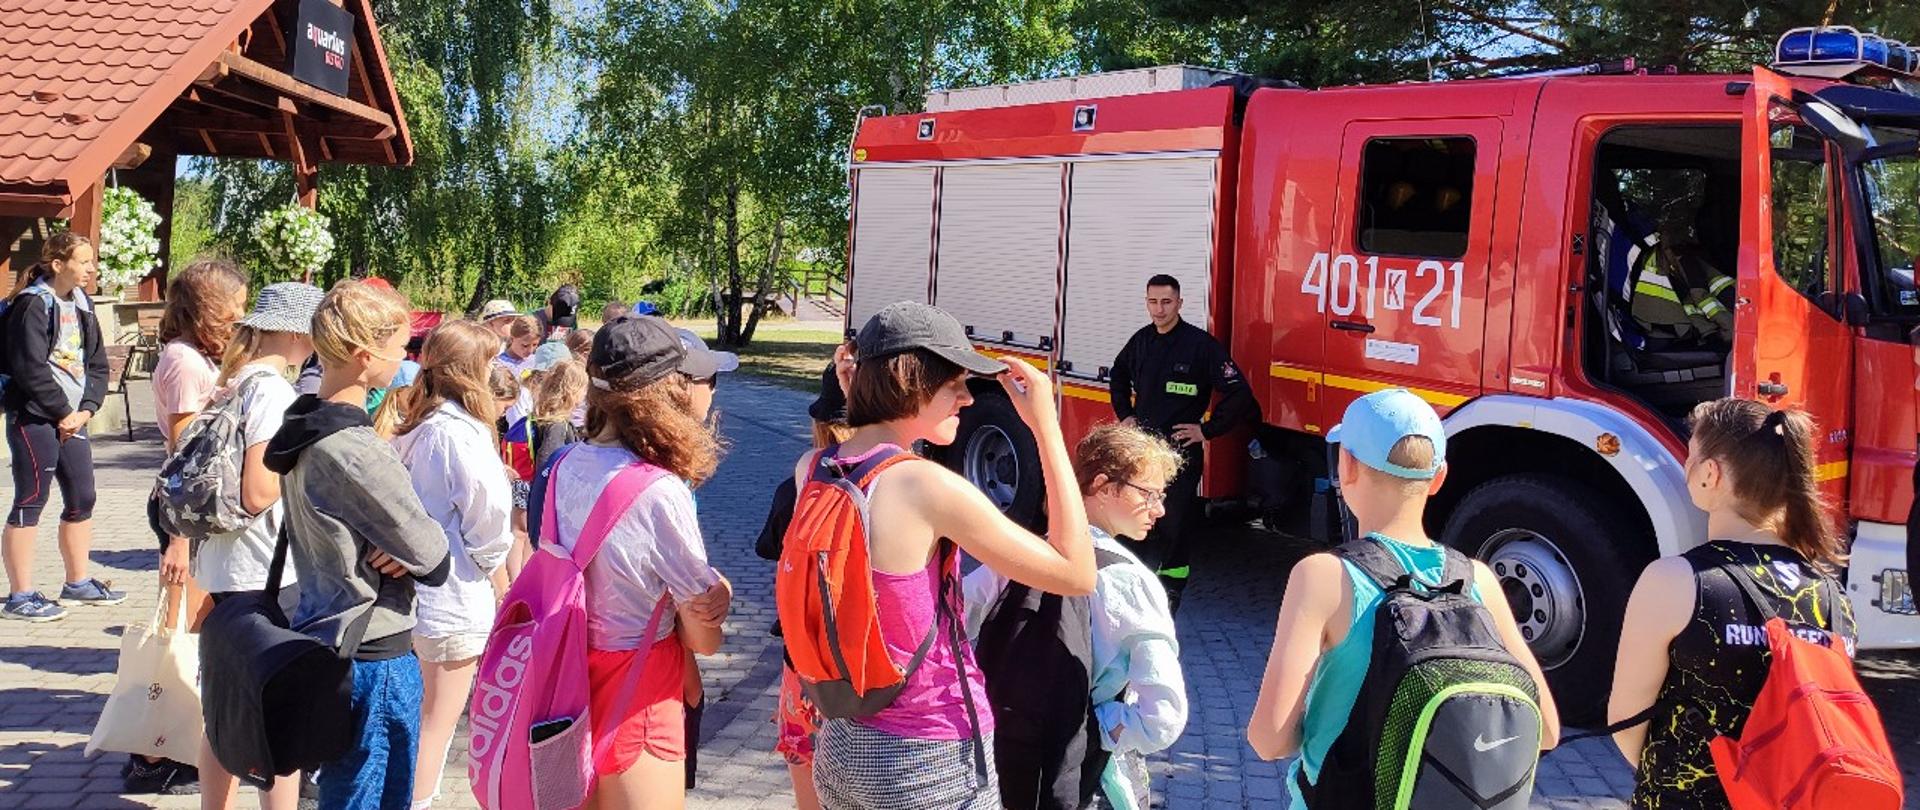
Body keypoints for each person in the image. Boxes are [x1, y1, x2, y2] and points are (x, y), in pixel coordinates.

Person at [799, 301, 1095, 809]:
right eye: (953, 383)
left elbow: (877, 458)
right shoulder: (927, 486)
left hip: (842, 740)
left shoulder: (819, 466)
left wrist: (863, 402)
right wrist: (1046, 428)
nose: (965, 398)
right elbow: (1075, 571)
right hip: (927, 753)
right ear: (911, 384)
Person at [1246, 389, 1557, 806]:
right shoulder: (1477, 579)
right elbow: (1548, 729)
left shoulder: (1323, 576)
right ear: (1439, 478)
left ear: (1347, 466)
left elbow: (1270, 740)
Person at [1607, 399, 1854, 809]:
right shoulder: (1832, 596)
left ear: (1710, 475)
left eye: (1691, 458)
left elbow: (1626, 722)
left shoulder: (1675, 581)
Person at [263, 280, 452, 809]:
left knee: (345, 790)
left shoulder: (302, 425)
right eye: (400, 348)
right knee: (369, 795)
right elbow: (434, 558)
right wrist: (411, 545)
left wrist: (401, 544)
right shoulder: (356, 450)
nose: (405, 359)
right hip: (374, 651)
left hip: (327, 633)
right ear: (365, 357)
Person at [545, 316, 732, 808]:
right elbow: (705, 638)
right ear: (669, 390)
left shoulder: (561, 466)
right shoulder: (657, 489)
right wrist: (721, 595)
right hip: (639, 687)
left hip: (562, 677)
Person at [962, 424, 1189, 810]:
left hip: (995, 754)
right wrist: (1102, 726)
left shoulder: (1021, 555)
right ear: (1102, 485)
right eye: (1149, 494)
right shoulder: (1133, 584)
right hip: (1078, 775)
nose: (1160, 509)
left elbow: (953, 628)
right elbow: (1162, 716)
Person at [193, 281, 326, 810]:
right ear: (298, 330)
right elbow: (258, 489)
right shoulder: (272, 390)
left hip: (226, 565)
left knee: (224, 705)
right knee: (277, 713)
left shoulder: (235, 379)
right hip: (263, 569)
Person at [124, 258, 248, 796]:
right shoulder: (184, 363)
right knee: (181, 632)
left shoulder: (196, 358)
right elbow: (185, 458)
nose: (242, 316)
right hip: (186, 516)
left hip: (195, 516)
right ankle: (152, 755)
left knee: (194, 630)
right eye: (236, 307)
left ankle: (176, 743)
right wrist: (179, 539)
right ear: (210, 308)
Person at [382, 320, 514, 810]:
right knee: (436, 722)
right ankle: (415, 801)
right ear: (472, 370)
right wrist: (494, 568)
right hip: (452, 594)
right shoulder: (459, 432)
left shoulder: (418, 424)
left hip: (413, 596)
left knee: (417, 716)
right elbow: (489, 517)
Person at [1107, 273, 1257, 614]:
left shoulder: (1200, 346)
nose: (1158, 310)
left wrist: (1206, 430)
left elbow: (1239, 394)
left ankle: (1171, 590)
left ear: (1180, 303)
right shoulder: (1141, 341)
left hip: (1179, 453)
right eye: (1152, 302)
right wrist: (1125, 415)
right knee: (1135, 515)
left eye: (1166, 302)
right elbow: (1117, 374)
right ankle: (1130, 582)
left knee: (1174, 523)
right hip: (1143, 451)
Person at [2, 232, 120, 622]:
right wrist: (61, 412)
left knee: (82, 497)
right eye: (84, 262)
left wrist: (85, 410)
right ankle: (20, 595)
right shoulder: (33, 304)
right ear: (58, 265)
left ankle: (77, 582)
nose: (91, 269)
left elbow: (98, 364)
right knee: (31, 498)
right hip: (33, 417)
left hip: (73, 419)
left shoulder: (83, 304)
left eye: (91, 261)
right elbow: (28, 367)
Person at [755, 363, 851, 810]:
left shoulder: (797, 483)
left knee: (808, 785)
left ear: (819, 424)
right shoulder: (902, 482)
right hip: (870, 669)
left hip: (806, 659)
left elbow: (770, 546)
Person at [529, 357, 587, 473]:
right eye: (584, 389)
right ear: (573, 391)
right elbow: (546, 461)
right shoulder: (557, 425)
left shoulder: (541, 415)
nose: (586, 394)